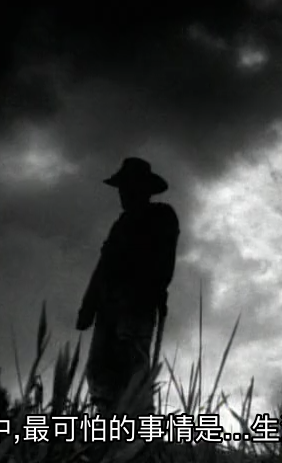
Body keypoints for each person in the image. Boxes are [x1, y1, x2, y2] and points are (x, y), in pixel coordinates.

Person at [76, 157, 180, 417]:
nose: (123, 194)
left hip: (137, 307)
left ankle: (139, 428)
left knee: (132, 371)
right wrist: (88, 306)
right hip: (109, 307)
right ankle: (109, 423)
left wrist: (149, 291)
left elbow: (164, 263)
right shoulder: (120, 225)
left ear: (143, 189)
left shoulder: (161, 217)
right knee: (99, 371)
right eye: (122, 189)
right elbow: (103, 266)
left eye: (128, 187)